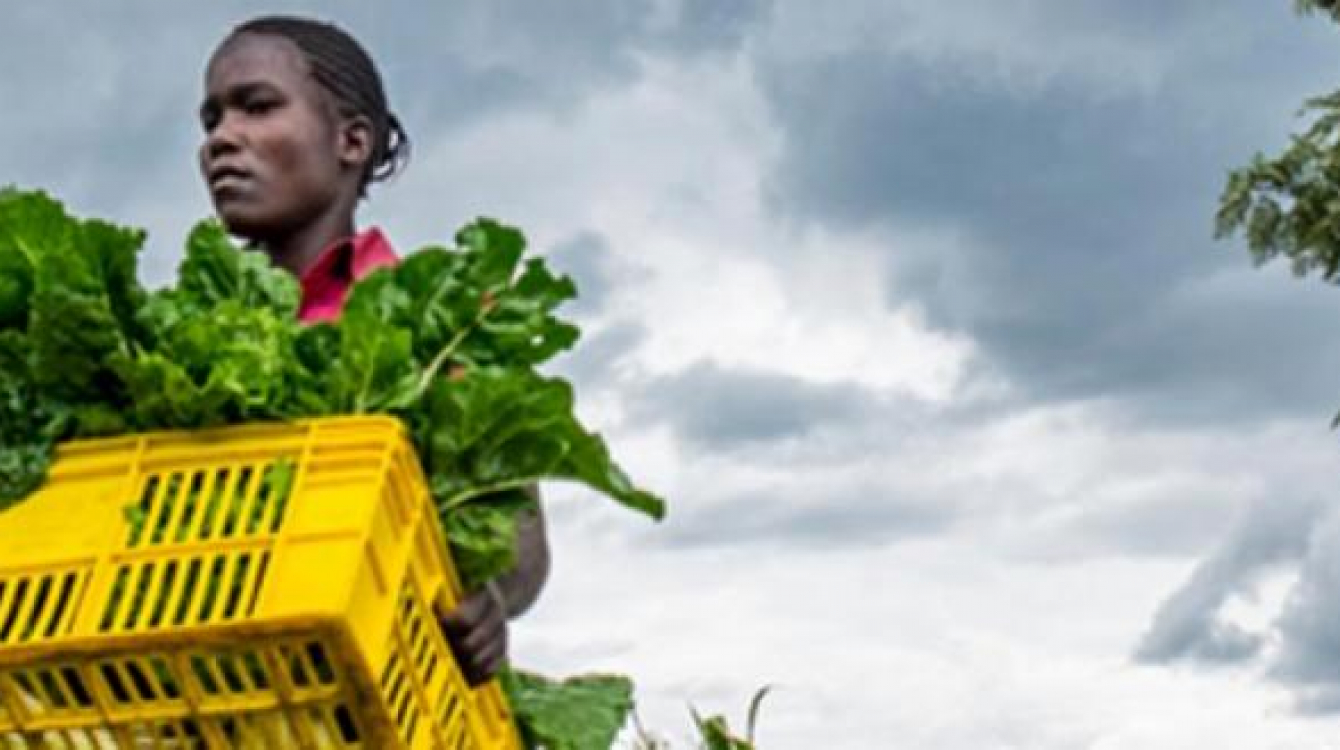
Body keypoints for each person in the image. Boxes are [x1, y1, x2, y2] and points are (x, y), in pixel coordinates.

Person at [197, 14, 550, 686]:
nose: (222, 139)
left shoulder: (439, 324)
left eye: (257, 106)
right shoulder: (185, 341)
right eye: (211, 120)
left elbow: (522, 541)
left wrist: (490, 601)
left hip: (385, 688)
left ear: (352, 140)